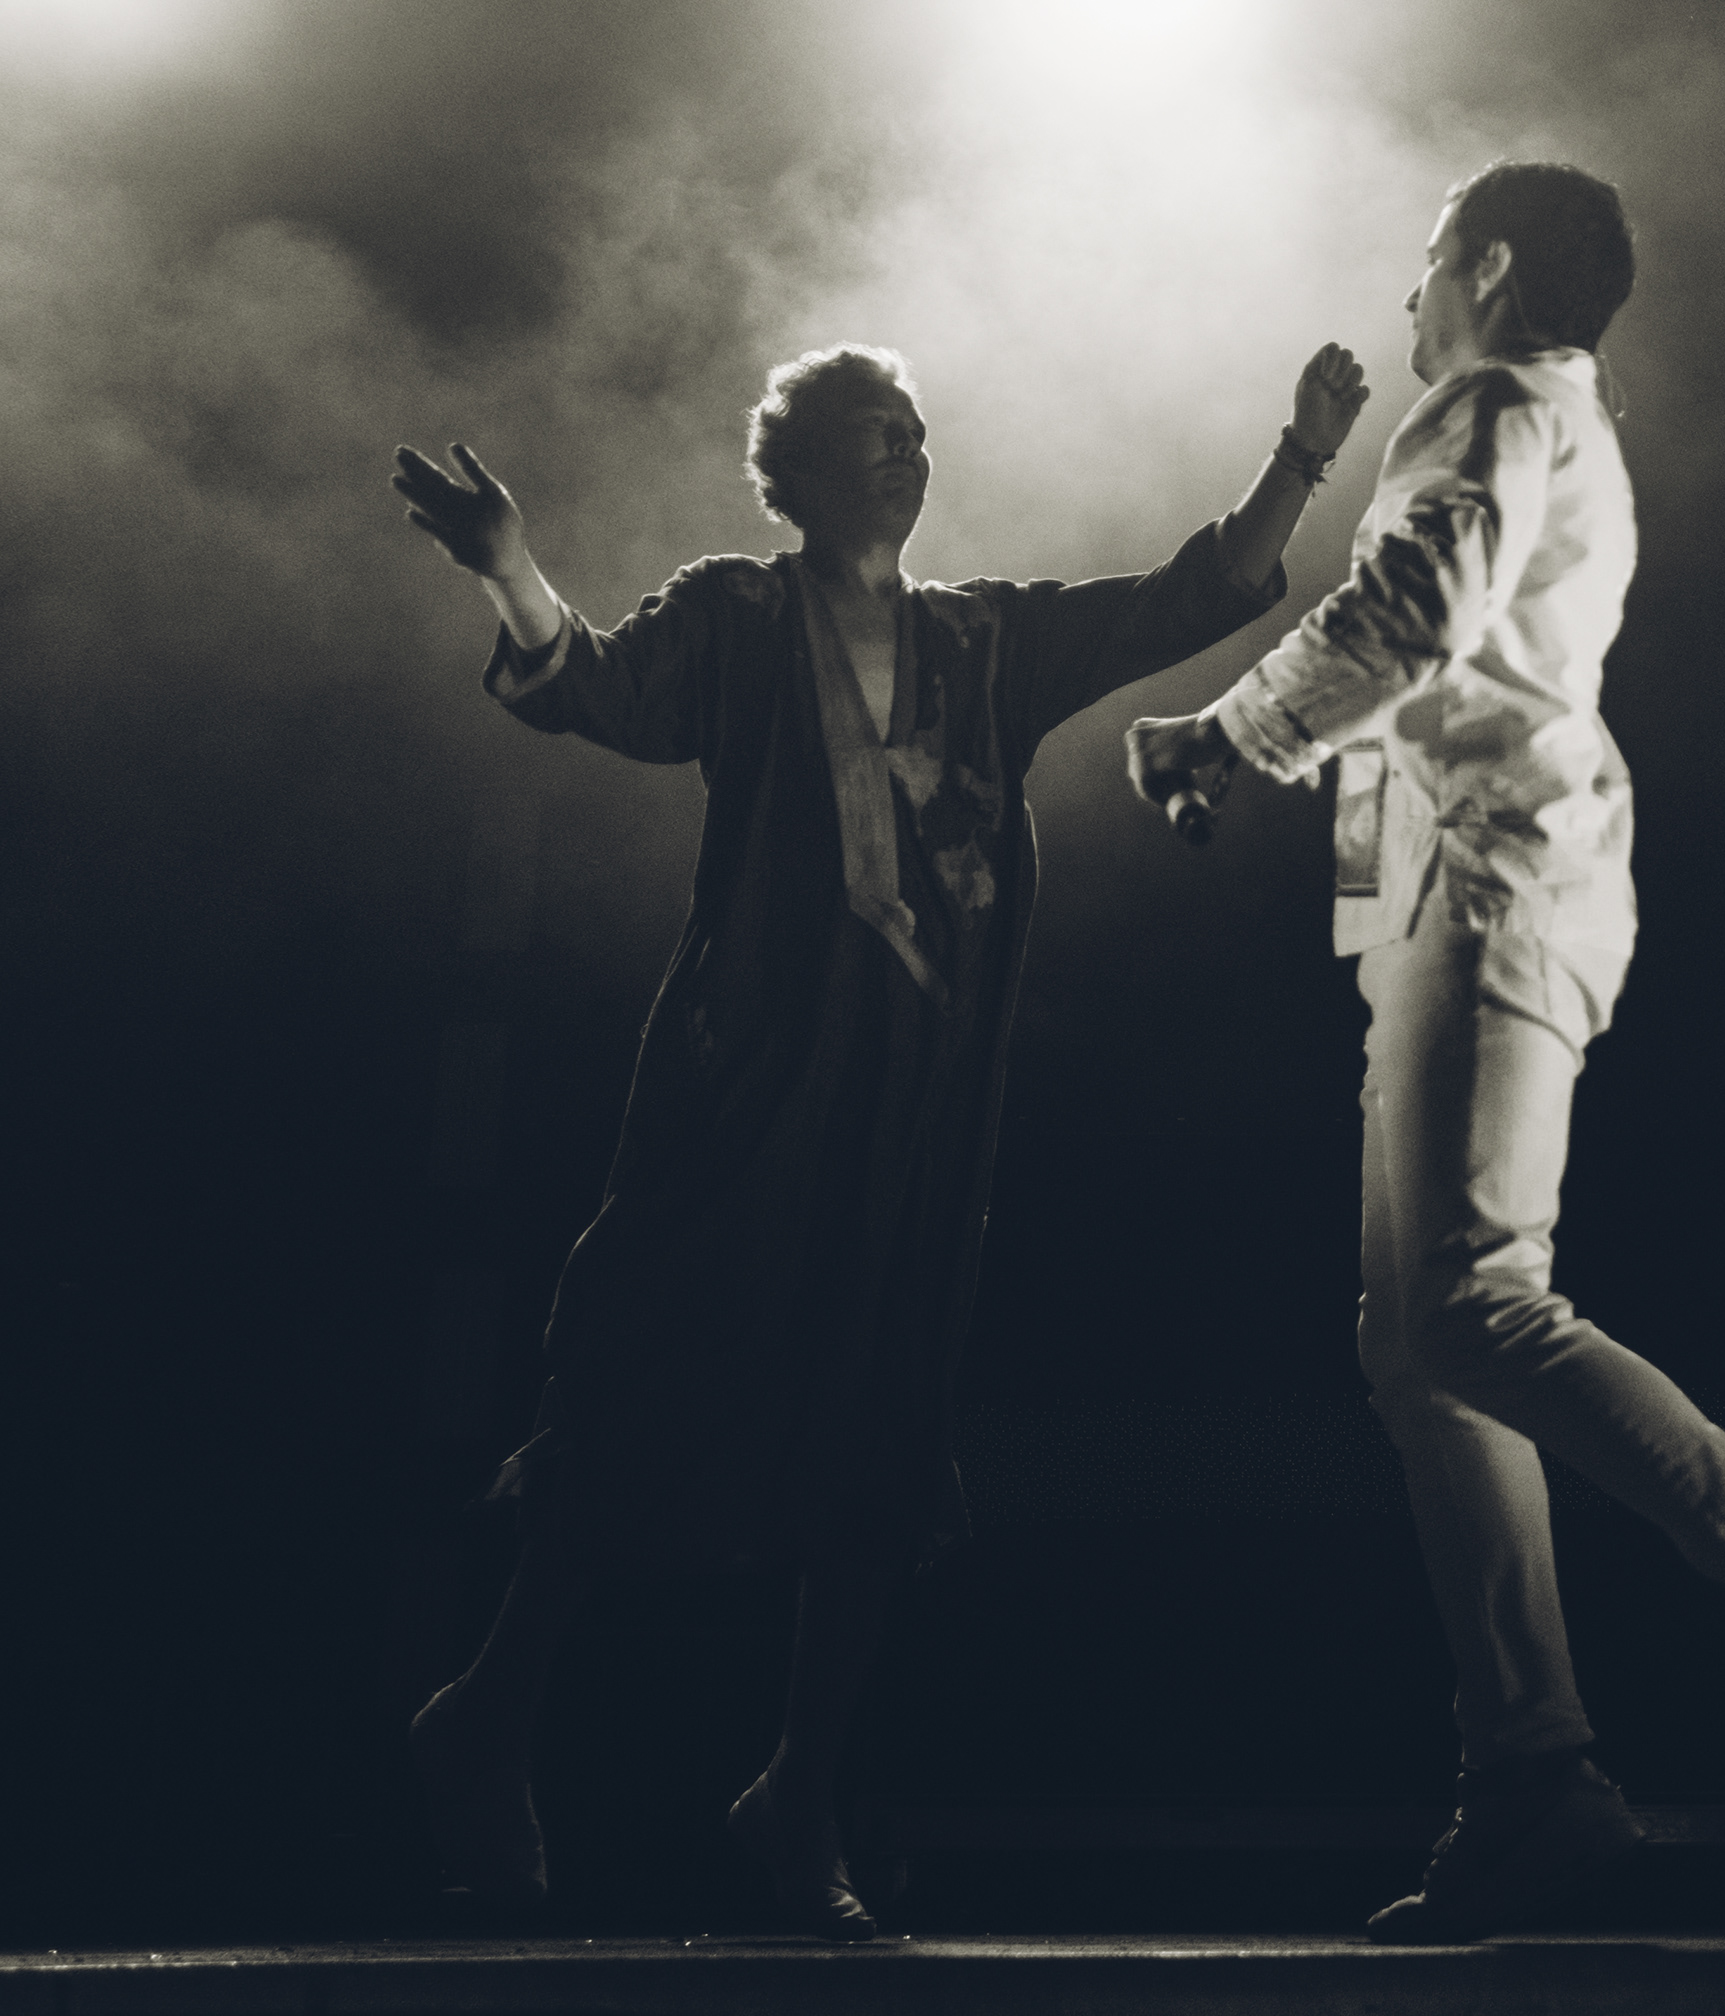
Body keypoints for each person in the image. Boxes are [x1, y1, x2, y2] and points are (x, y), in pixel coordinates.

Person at [388, 336, 1369, 1941]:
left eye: (917, 430)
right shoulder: (736, 616)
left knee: (883, 1422)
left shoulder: (985, 641)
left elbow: (1192, 594)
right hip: (750, 1086)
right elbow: (601, 693)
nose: (908, 453)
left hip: (915, 1109)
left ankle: (800, 1791)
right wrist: (510, 565)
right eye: (873, 433)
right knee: (643, 1379)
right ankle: (492, 1712)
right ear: (797, 473)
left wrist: (1303, 452)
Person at [1125, 162, 1725, 1944]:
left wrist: (1226, 734)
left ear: (1491, 267)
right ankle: (1534, 1780)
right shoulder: (1542, 416)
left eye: (1429, 261)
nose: (1412, 293)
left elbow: (1412, 611)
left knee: (1472, 1309)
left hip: (1495, 886)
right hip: (1467, 892)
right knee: (1422, 1341)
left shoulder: (1495, 400)